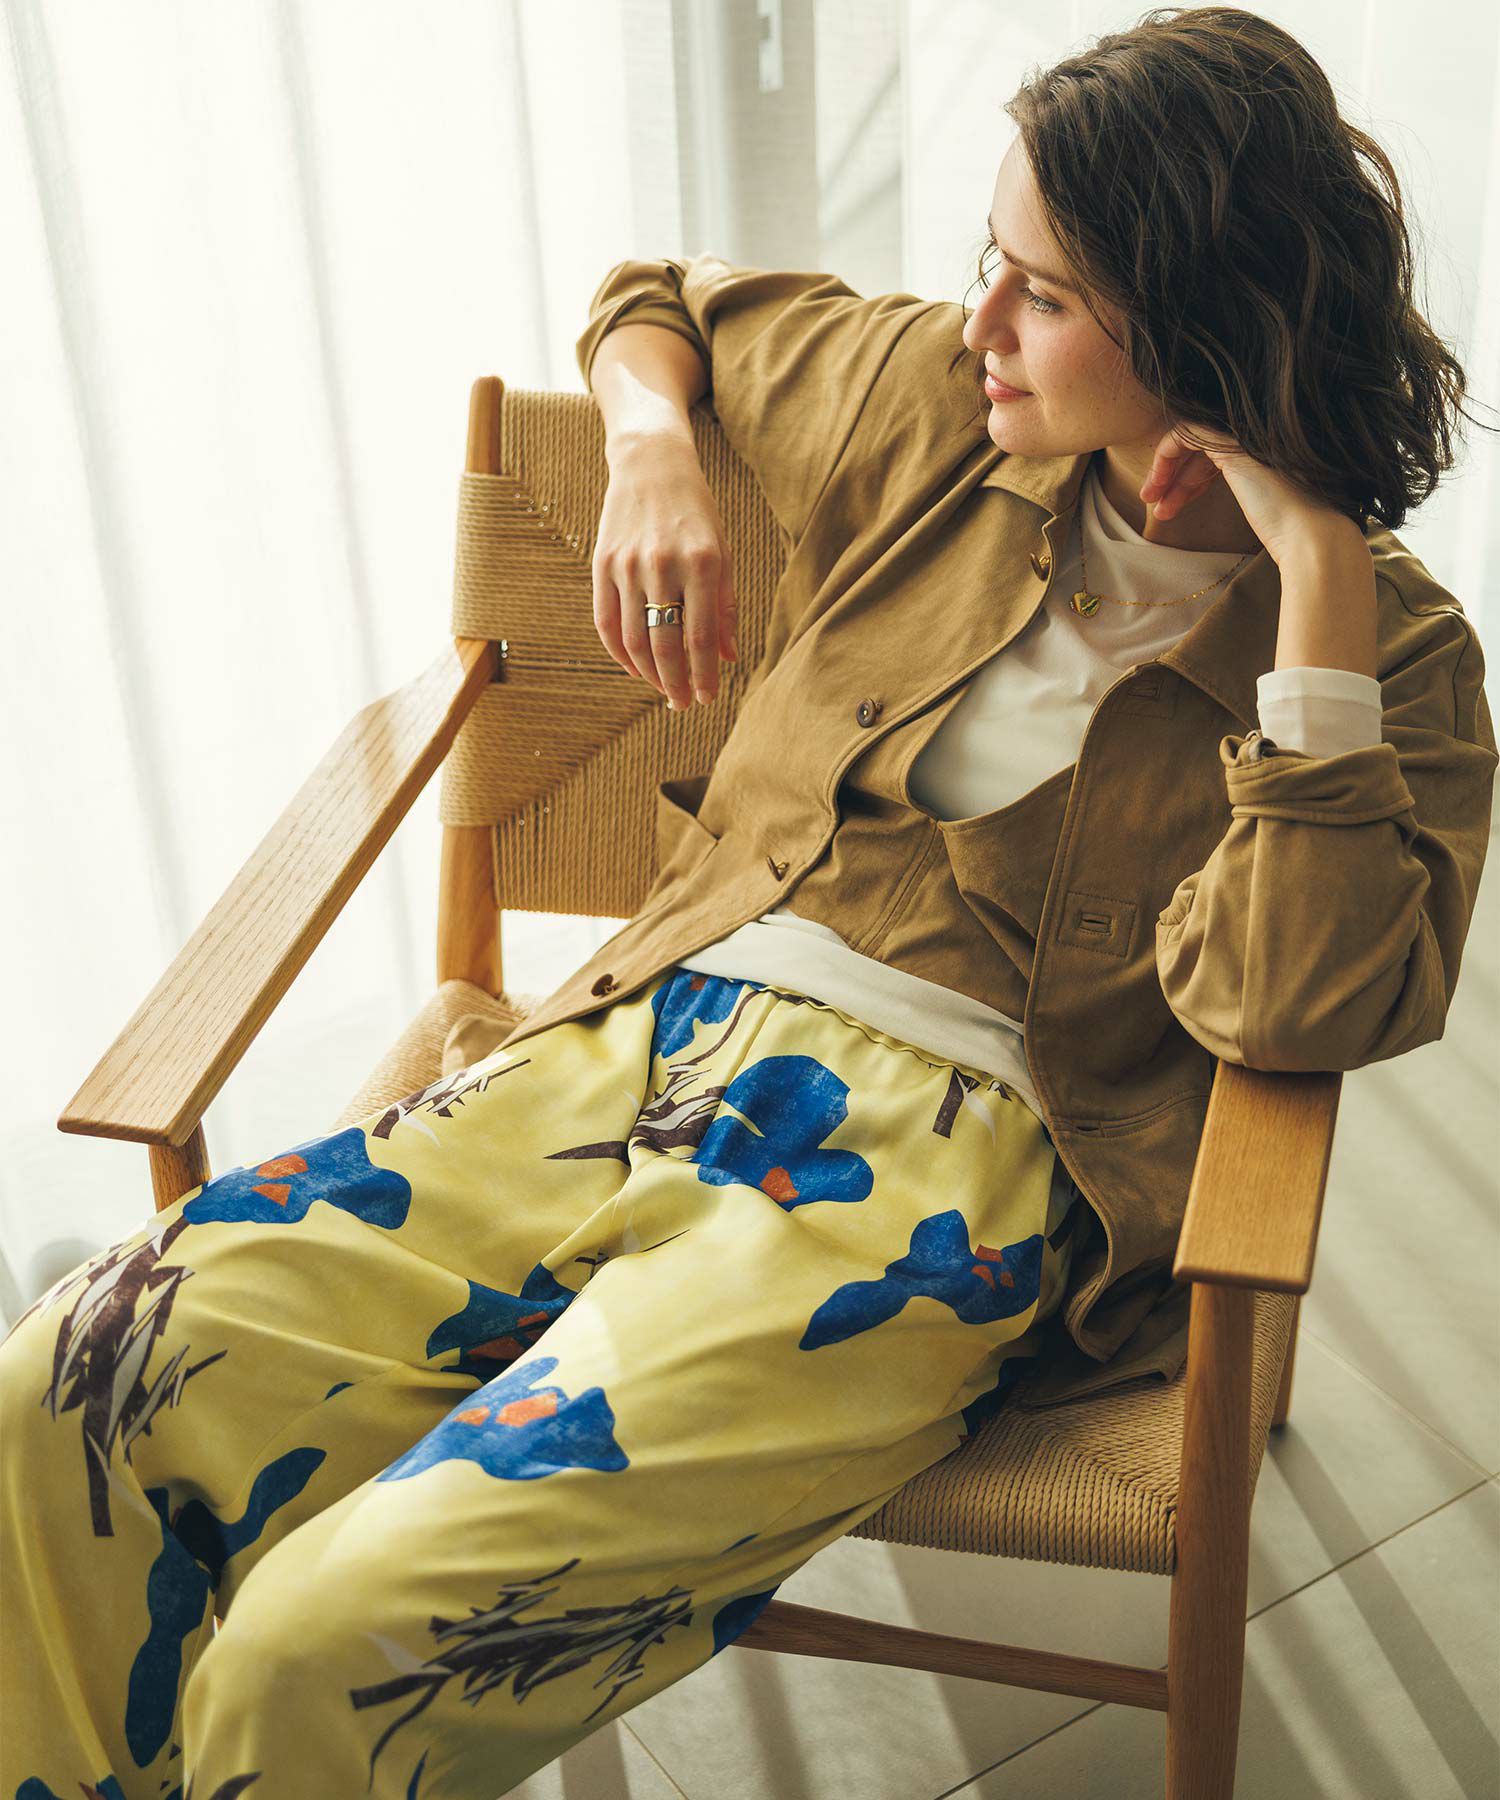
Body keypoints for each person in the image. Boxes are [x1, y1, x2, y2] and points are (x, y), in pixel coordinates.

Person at [3, 8, 1494, 1797]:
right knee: (70, 1379)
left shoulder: (1398, 664)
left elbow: (1298, 1010)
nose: (979, 323)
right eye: (989, 262)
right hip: (634, 1043)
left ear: (1200, 329)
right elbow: (661, 300)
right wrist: (648, 446)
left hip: (932, 1190)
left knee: (331, 1642)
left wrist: (1316, 584)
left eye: (1041, 295)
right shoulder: (942, 408)